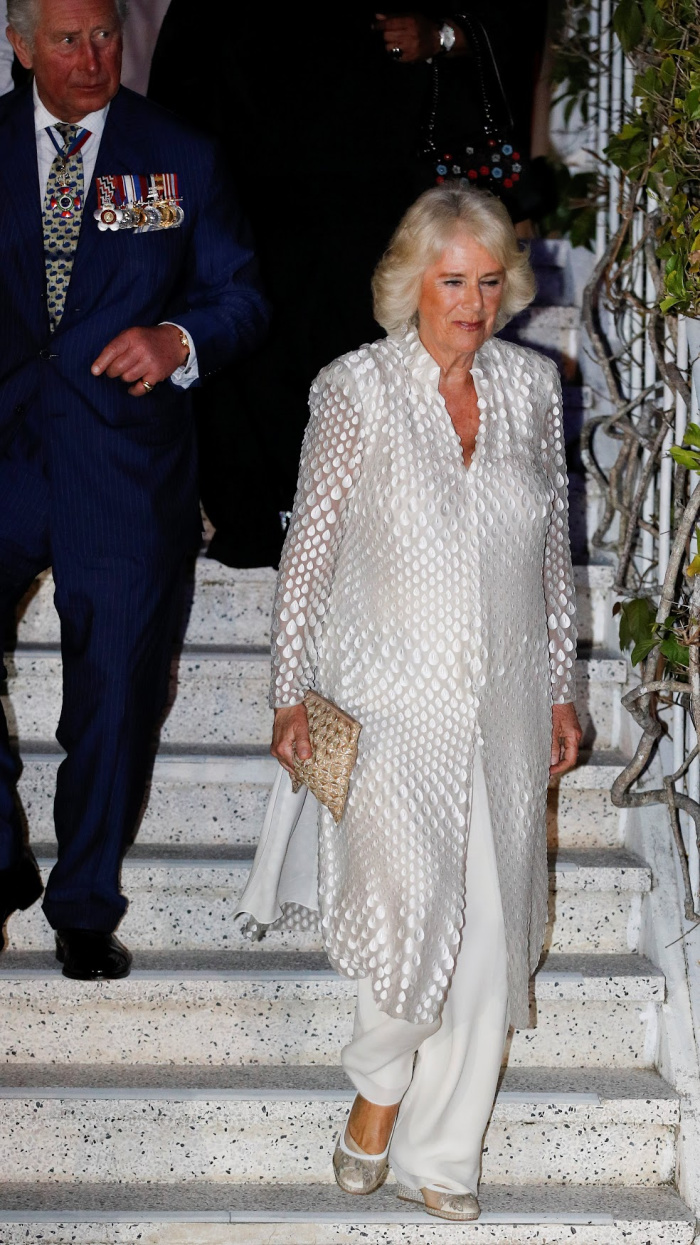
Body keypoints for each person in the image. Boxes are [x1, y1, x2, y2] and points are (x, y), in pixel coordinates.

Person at [237, 184, 581, 1220]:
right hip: (387, 706)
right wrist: (288, 690)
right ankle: (379, 1089)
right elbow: (310, 551)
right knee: (406, 912)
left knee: (486, 939)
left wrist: (561, 686)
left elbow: (553, 557)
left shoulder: (529, 388)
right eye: (451, 282)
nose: (471, 302)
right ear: (410, 285)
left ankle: (445, 1157)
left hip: (509, 707)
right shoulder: (357, 389)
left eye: (487, 282)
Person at [0, 0, 267, 979]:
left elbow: (243, 297)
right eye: (67, 40)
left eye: (105, 35)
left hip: (124, 460)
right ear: (20, 45)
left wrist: (181, 340)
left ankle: (82, 905)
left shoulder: (179, 154)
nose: (92, 57)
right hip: (6, 453)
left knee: (114, 690)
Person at [147, 5, 550, 569]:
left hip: (380, 172)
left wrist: (442, 34)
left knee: (372, 347)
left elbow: (510, 19)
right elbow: (187, 53)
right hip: (246, 169)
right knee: (252, 347)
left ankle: (384, 520)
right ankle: (268, 520)